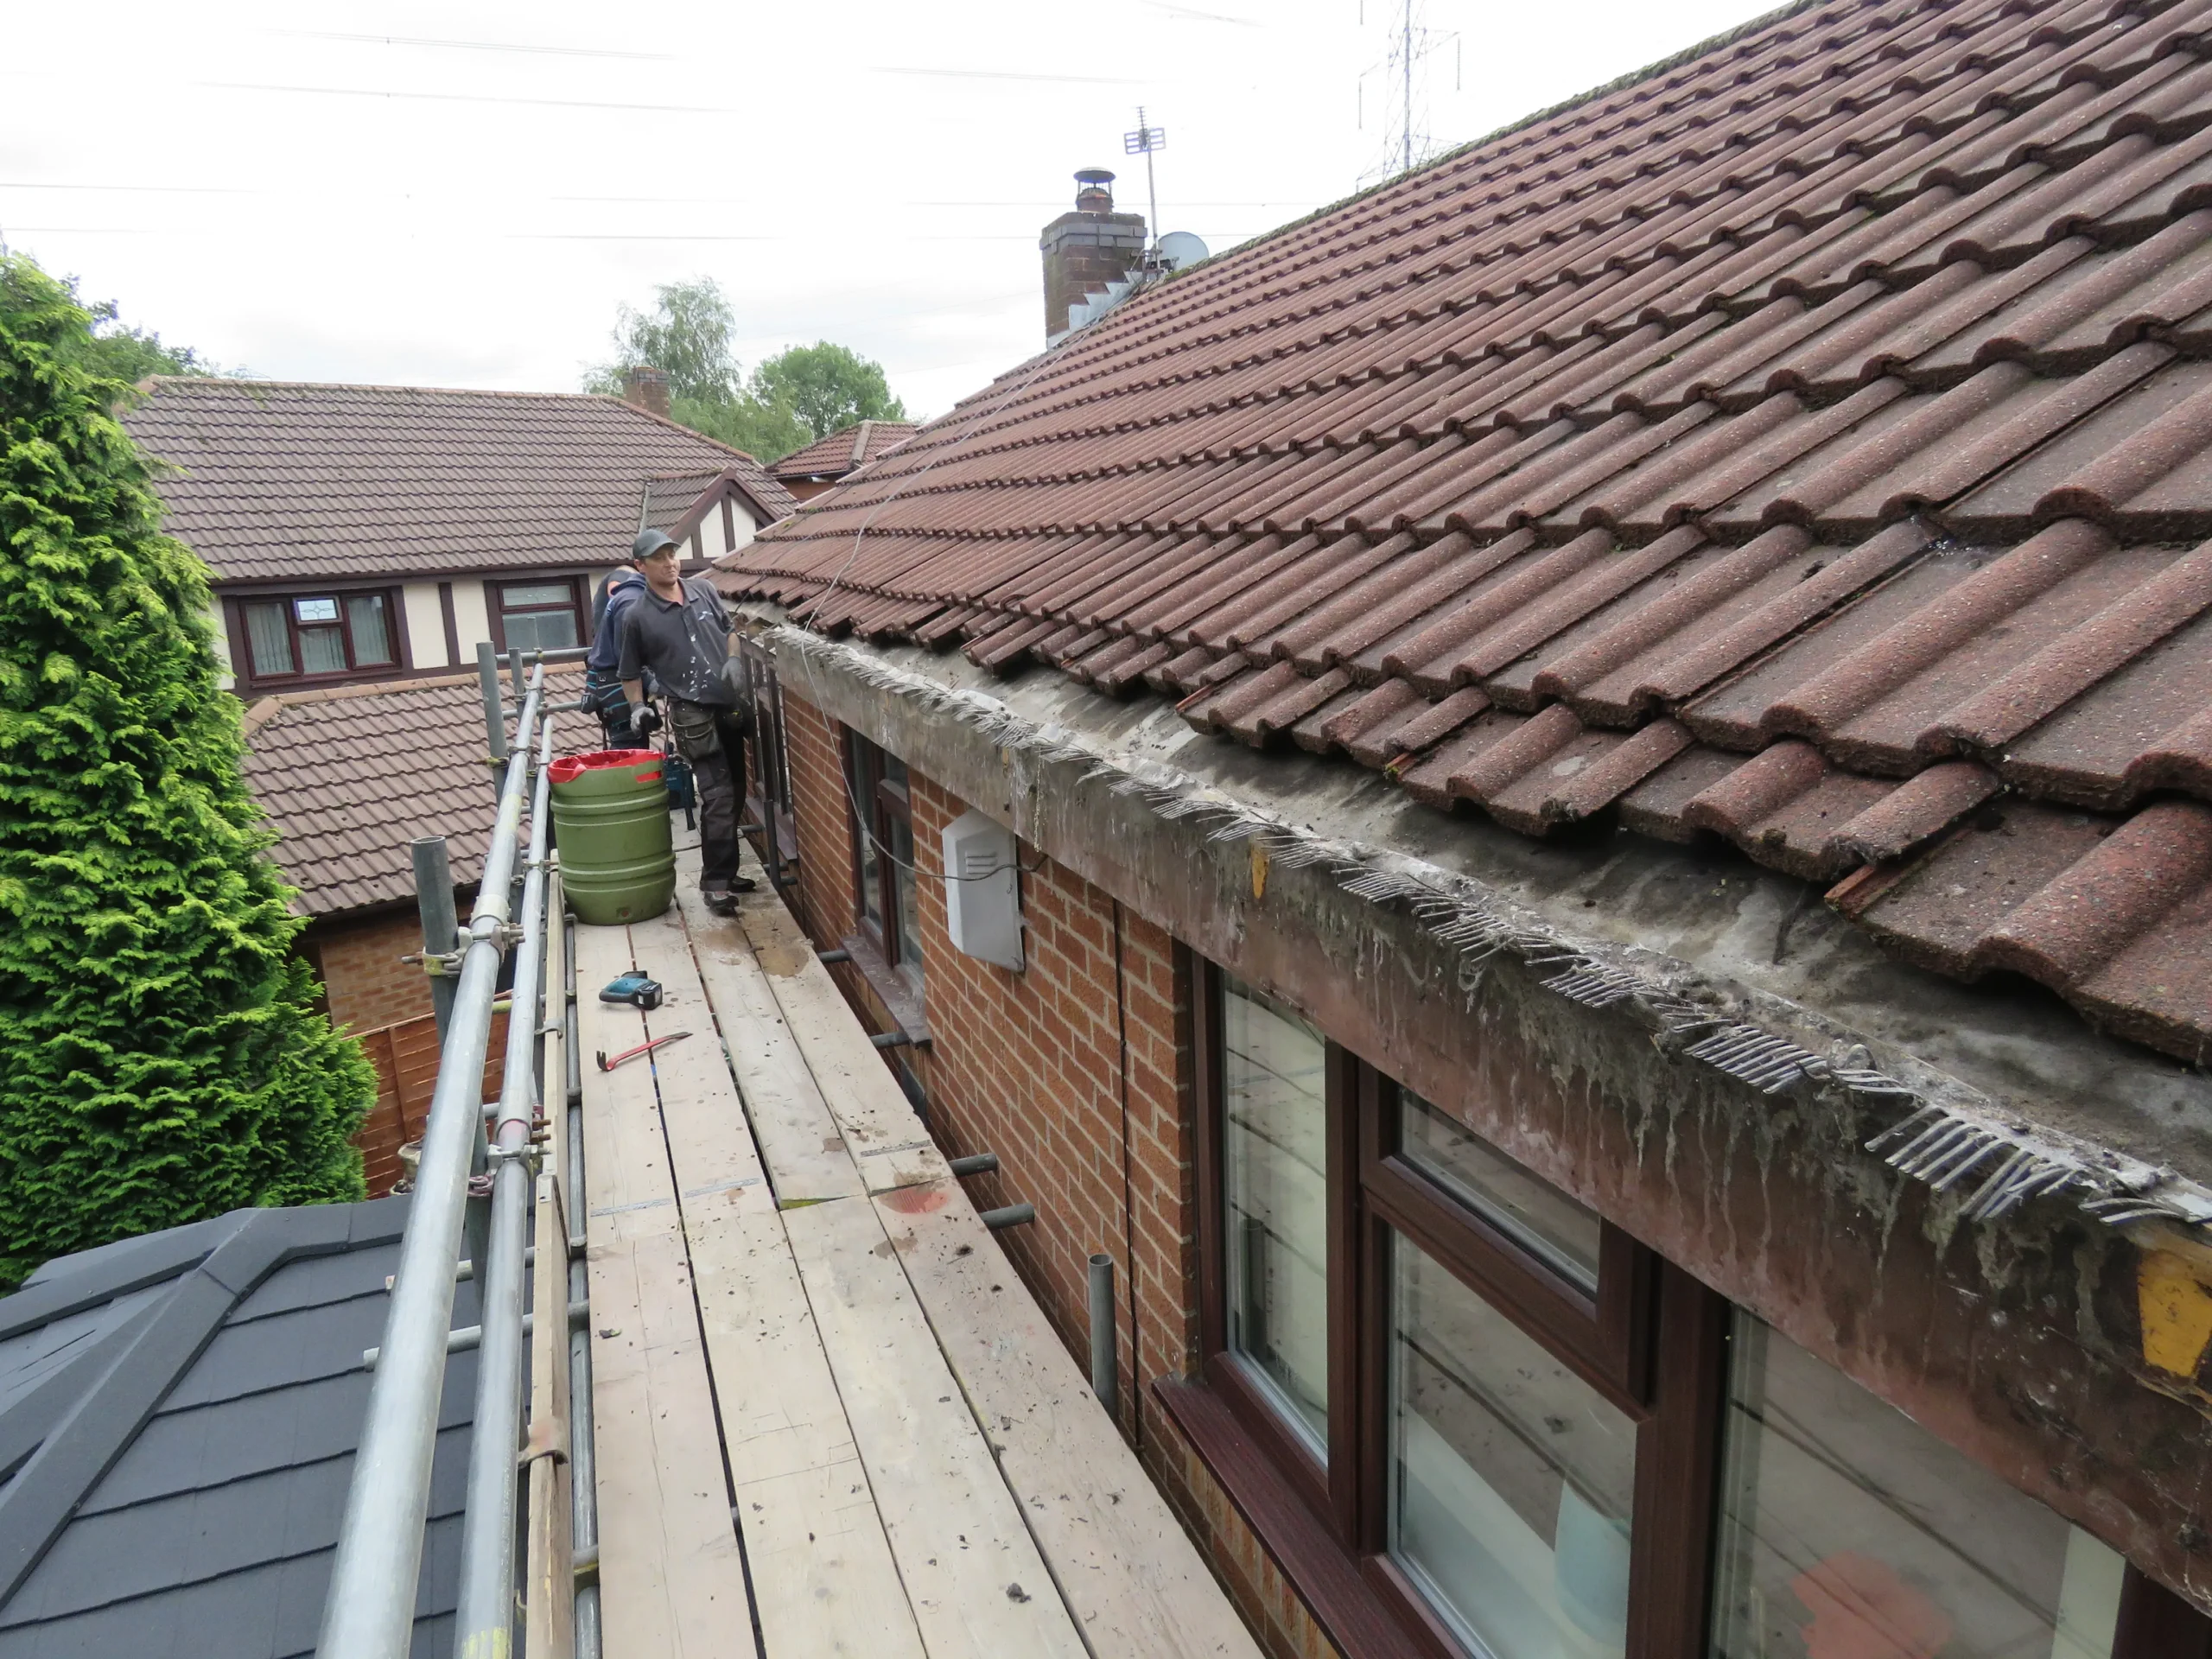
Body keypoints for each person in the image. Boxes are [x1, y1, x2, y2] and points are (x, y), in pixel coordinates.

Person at [616, 537, 757, 907]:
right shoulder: (636, 616)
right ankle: (714, 885)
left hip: (728, 706)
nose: (669, 563)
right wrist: (637, 707)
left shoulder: (704, 590)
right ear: (640, 565)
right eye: (658, 559)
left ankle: (726, 872)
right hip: (692, 714)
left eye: (672, 555)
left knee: (737, 788)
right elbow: (629, 673)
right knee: (718, 795)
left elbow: (729, 631)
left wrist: (734, 659)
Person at [583, 530, 664, 748]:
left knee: (635, 741)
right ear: (640, 566)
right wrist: (654, 682)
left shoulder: (629, 592)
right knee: (631, 749)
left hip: (608, 671)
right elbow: (626, 656)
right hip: (616, 678)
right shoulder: (626, 592)